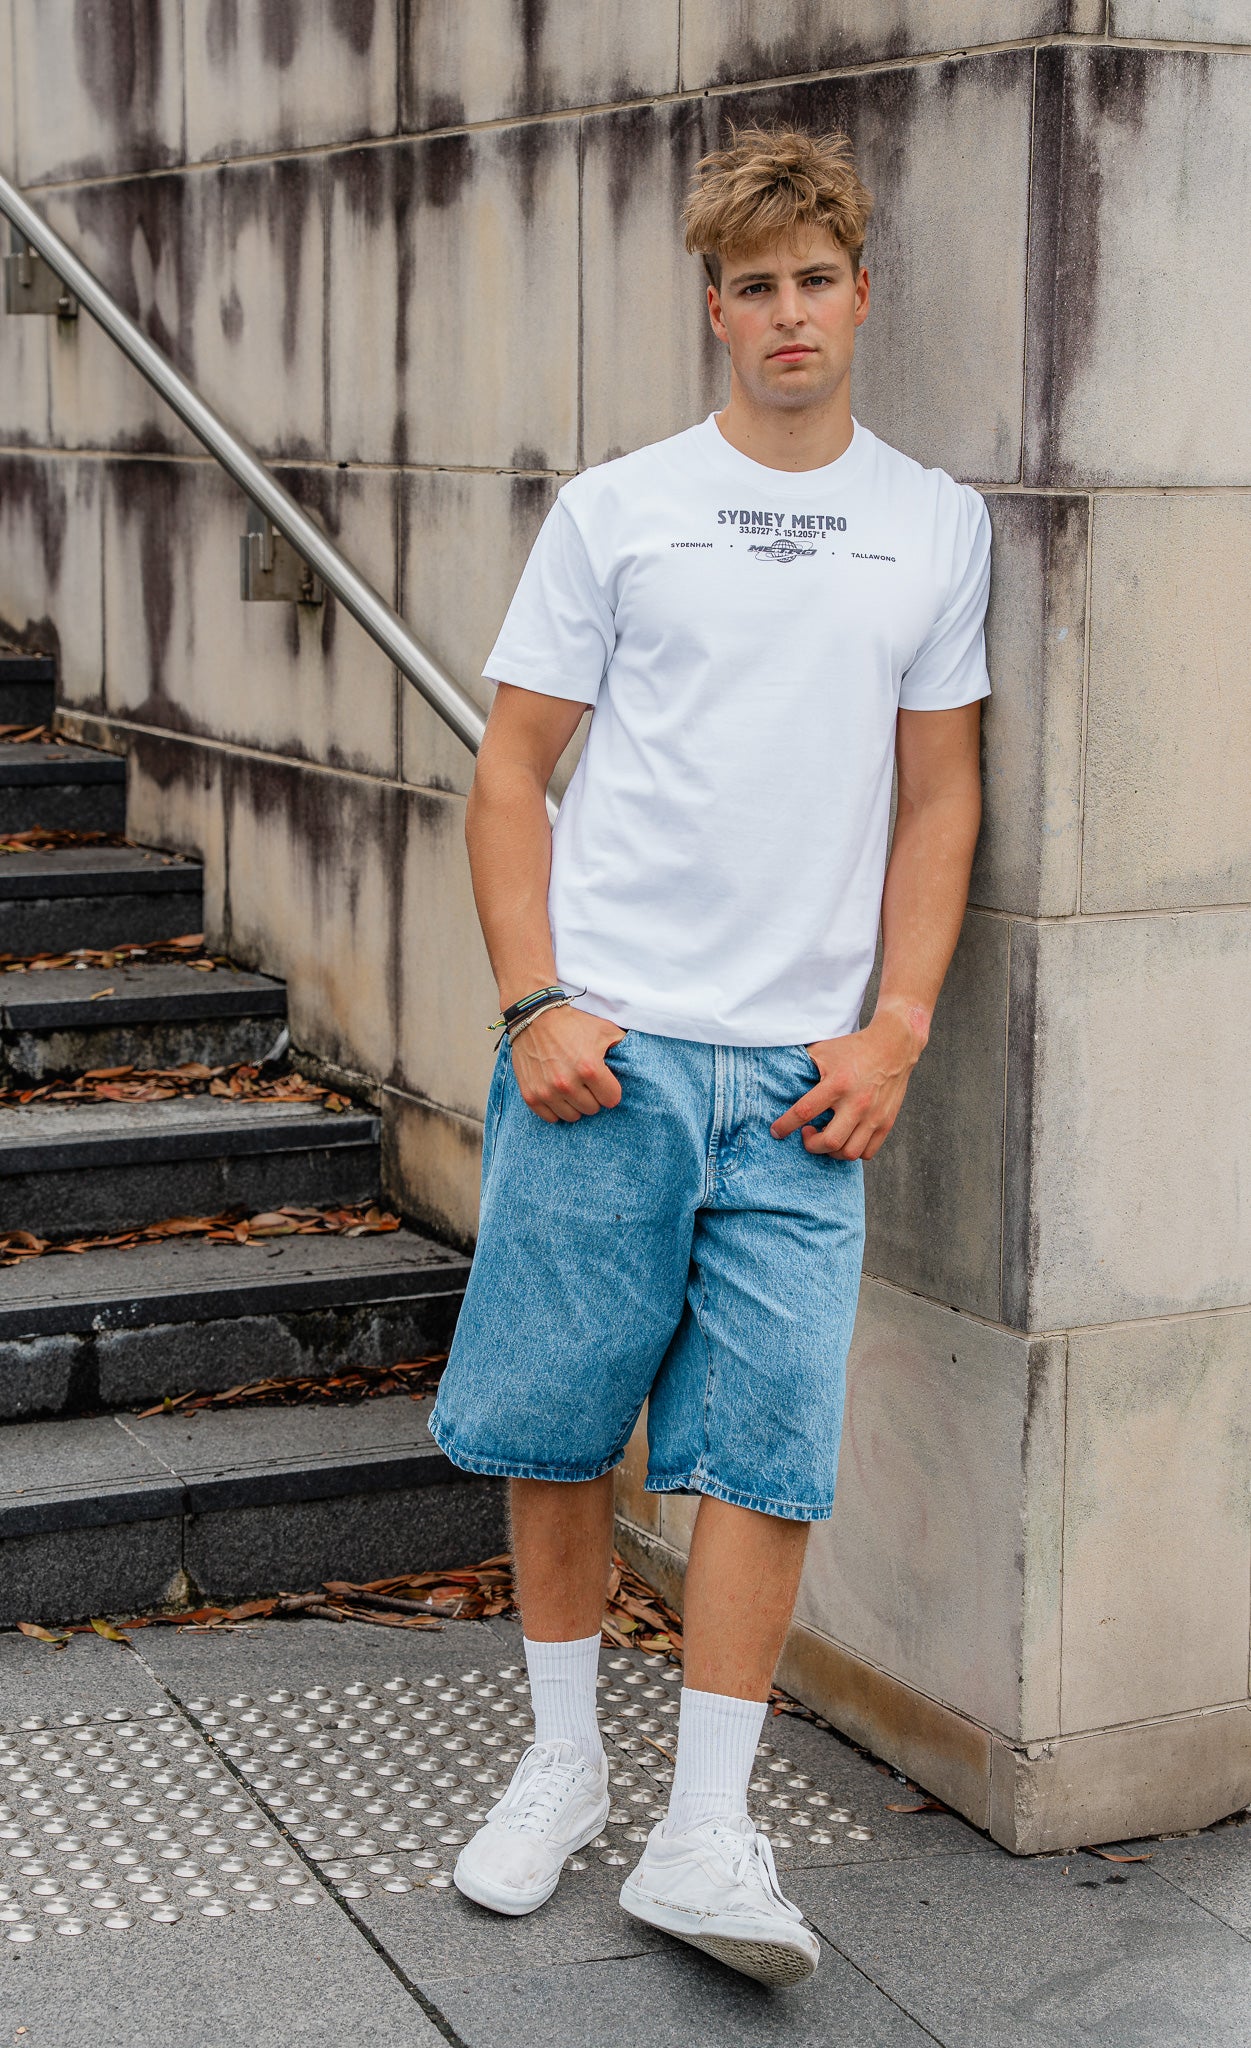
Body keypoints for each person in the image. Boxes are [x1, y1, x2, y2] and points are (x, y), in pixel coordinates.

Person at [429, 123, 990, 1988]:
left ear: (857, 292)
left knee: (764, 1456)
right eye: (752, 288)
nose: (787, 316)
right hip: (614, 1050)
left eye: (814, 280)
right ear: (716, 311)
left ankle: (706, 1826)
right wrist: (534, 1003)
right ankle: (565, 1768)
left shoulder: (933, 522)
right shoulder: (617, 508)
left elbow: (941, 797)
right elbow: (512, 770)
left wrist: (899, 1023)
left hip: (808, 1080)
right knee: (560, 1424)